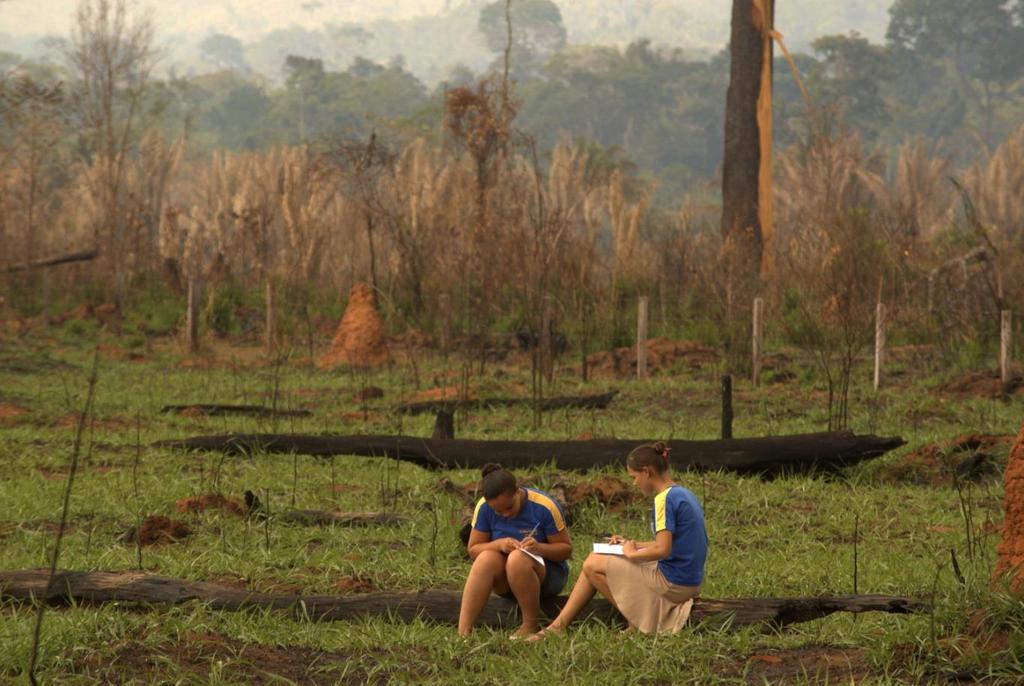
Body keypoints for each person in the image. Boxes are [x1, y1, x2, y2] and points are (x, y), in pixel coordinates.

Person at [529, 441, 707, 638]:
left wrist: (631, 554)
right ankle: (557, 627)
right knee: (597, 558)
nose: (634, 483)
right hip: (689, 579)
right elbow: (673, 542)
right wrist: (633, 544)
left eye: (634, 477)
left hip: (675, 583)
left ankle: (635, 623)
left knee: (592, 564)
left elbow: (663, 550)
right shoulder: (683, 493)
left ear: (647, 472)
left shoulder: (663, 500)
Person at [457, 463, 572, 638]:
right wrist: (499, 544)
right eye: (498, 511)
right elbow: (473, 549)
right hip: (506, 579)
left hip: (547, 577)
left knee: (518, 558)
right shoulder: (484, 506)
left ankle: (531, 624)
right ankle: (463, 631)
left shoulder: (544, 506)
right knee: (485, 558)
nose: (505, 514)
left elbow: (565, 550)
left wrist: (539, 548)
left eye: (509, 507)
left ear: (517, 491)